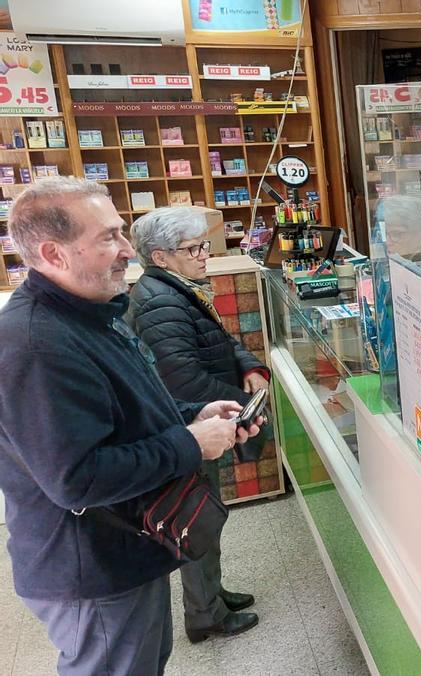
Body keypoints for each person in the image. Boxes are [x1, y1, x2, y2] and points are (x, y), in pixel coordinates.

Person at [0, 177, 262, 674]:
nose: (127, 250)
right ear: (54, 253)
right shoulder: (36, 345)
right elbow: (77, 478)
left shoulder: (93, 313)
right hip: (93, 570)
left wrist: (195, 415)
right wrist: (189, 444)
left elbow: (130, 410)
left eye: (121, 232)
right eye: (107, 237)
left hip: (131, 546)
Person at [128, 207, 267, 643]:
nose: (204, 255)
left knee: (206, 517)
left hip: (200, 422)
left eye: (204, 245)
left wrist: (246, 363)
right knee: (195, 520)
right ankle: (205, 615)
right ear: (160, 256)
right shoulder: (159, 302)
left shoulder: (179, 288)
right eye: (193, 249)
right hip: (191, 428)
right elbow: (183, 377)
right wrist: (241, 405)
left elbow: (218, 339)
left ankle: (212, 595)